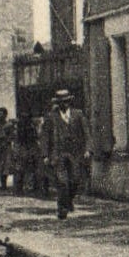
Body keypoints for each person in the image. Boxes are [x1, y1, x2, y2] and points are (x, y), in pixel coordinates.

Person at [41, 88, 91, 219]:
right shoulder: (51, 117)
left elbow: (86, 133)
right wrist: (45, 155)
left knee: (75, 180)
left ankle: (68, 200)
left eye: (67, 101)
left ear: (70, 102)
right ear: (58, 103)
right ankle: (62, 208)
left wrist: (87, 149)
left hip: (75, 153)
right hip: (58, 153)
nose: (65, 104)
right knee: (62, 182)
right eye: (62, 102)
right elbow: (45, 137)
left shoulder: (78, 114)